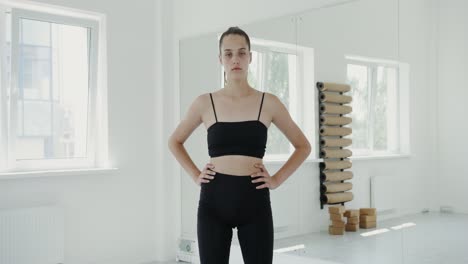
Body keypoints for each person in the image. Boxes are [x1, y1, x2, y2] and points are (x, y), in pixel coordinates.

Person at [168, 26, 311, 264]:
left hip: (254, 203)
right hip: (214, 203)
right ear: (220, 59)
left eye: (242, 53)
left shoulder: (269, 102)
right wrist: (195, 175)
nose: (235, 59)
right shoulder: (205, 102)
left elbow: (303, 146)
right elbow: (175, 141)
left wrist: (275, 180)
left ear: (251, 57)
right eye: (229, 53)